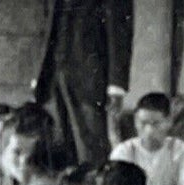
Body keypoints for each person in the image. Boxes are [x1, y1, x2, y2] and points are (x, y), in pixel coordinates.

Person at [35, 0, 133, 164]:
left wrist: (116, 85)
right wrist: (39, 72)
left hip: (90, 79)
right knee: (61, 148)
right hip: (55, 77)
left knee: (91, 149)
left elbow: (119, 28)